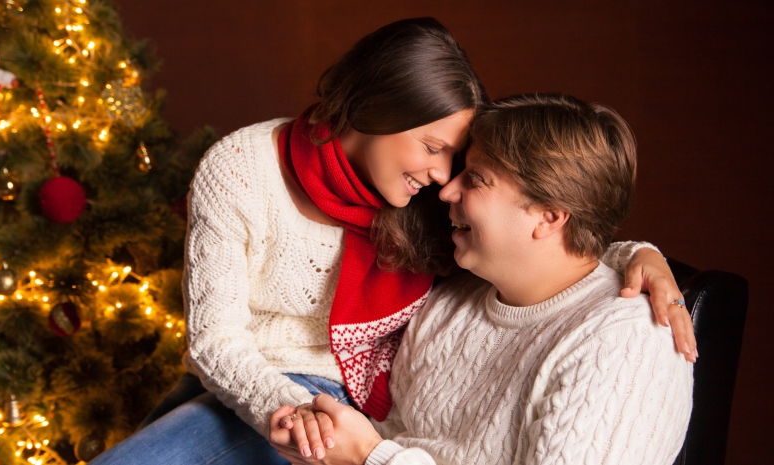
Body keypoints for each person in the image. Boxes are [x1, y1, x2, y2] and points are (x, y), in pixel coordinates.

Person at [91, 17, 692, 465]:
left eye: (461, 165)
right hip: (259, 387)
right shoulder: (247, 168)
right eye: (434, 151)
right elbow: (217, 340)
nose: (445, 180)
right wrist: (296, 412)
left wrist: (633, 257)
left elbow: (558, 236)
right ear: (374, 110)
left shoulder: (436, 198)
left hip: (353, 415)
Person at [270, 94, 694, 465]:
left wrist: (368, 457)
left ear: (548, 216)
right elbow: (393, 433)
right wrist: (328, 440)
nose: (447, 191)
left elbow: (379, 451)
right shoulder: (451, 299)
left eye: (475, 179)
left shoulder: (625, 344)